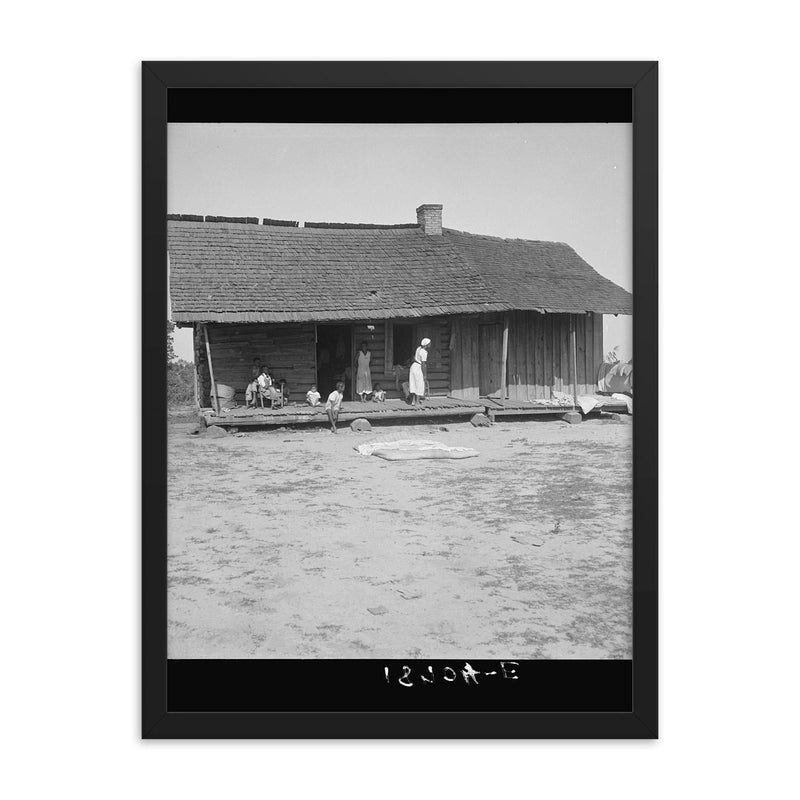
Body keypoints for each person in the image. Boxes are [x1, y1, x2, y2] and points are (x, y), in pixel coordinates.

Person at [408, 337, 430, 407]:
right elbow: (423, 364)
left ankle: (413, 401)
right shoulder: (424, 352)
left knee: (413, 383)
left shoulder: (418, 348)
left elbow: (415, 357)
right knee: (419, 384)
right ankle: (417, 402)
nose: (430, 345)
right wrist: (424, 375)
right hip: (418, 368)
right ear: (426, 344)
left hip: (414, 366)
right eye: (429, 343)